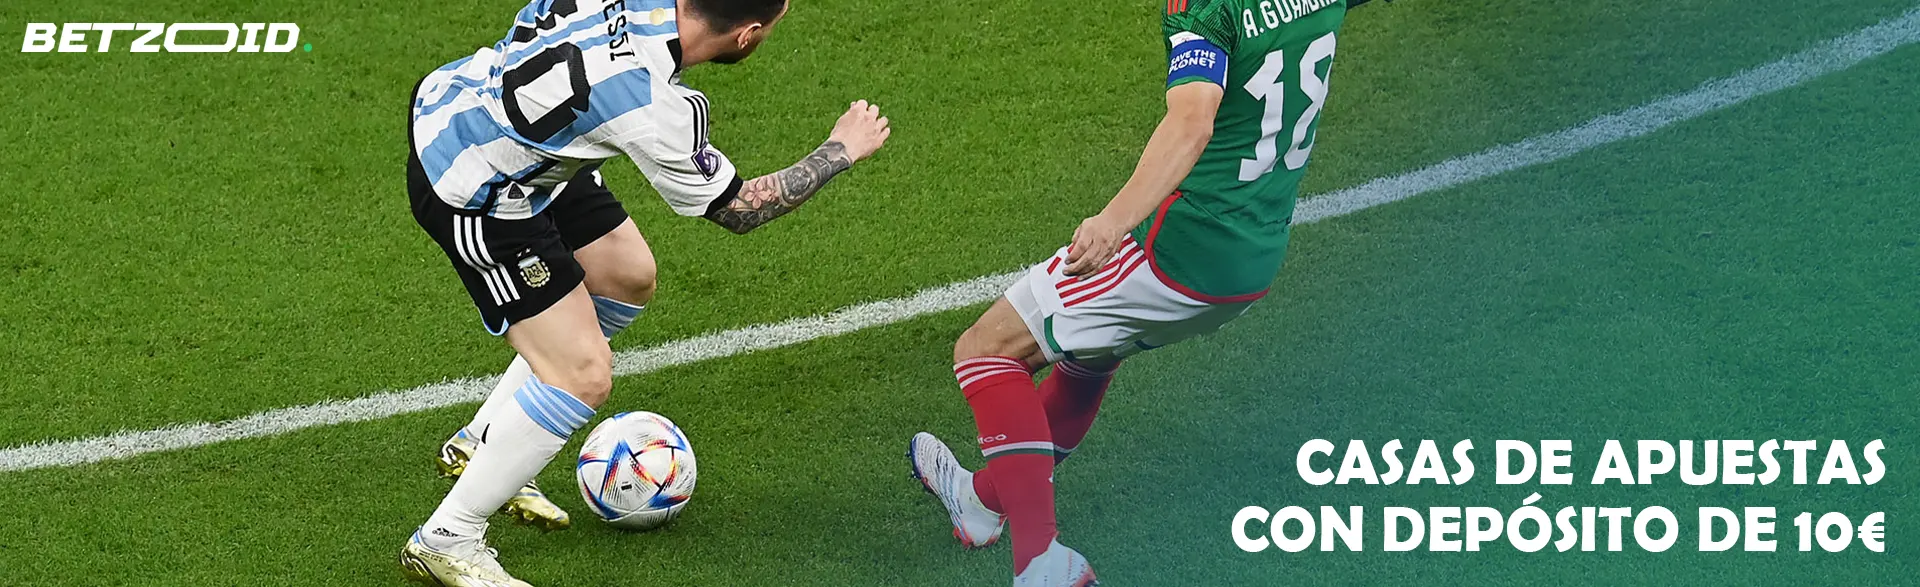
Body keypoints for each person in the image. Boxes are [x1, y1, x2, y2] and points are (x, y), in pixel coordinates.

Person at [401, 0, 891, 583]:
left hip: (490, 111)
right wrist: (840, 150)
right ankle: (447, 539)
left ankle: (481, 443)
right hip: (475, 184)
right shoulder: (656, 104)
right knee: (583, 374)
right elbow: (738, 209)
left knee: (625, 274)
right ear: (747, 36)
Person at [906, 0, 1349, 584]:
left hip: (1179, 249)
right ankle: (982, 502)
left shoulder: (1206, 8)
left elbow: (1192, 122)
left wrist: (1114, 220)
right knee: (1090, 354)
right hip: (1253, 258)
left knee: (985, 350)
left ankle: (1041, 562)